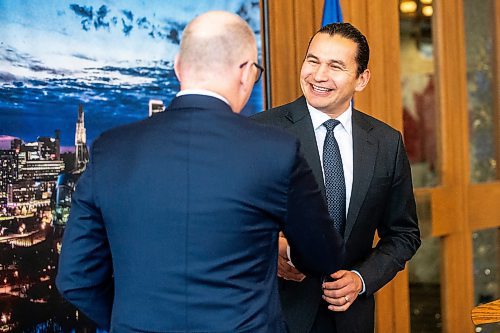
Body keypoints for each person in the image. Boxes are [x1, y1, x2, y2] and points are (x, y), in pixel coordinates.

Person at [55, 11, 345, 333]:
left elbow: (76, 278)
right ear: (247, 72)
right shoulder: (276, 150)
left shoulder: (110, 149)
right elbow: (324, 256)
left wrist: (133, 321)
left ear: (178, 67)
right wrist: (287, 249)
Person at [252, 22, 421, 333]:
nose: (318, 75)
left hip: (349, 318)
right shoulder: (258, 132)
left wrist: (361, 279)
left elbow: (403, 234)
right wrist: (269, 250)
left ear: (361, 78)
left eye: (335, 66)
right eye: (313, 61)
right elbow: (227, 224)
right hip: (275, 314)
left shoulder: (386, 142)